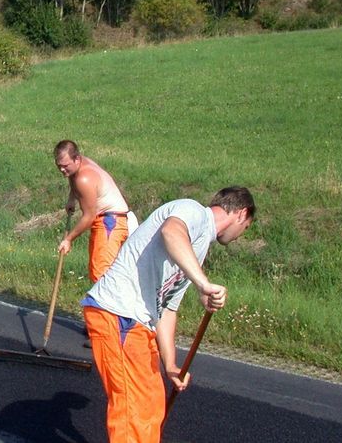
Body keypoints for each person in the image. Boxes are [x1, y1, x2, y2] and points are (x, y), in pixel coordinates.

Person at [81, 186, 256, 443]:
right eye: (247, 227)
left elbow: (167, 308)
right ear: (242, 213)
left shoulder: (196, 249)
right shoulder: (193, 211)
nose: (242, 235)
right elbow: (171, 232)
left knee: (151, 403)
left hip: (138, 323)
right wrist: (203, 284)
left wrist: (171, 364)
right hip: (118, 313)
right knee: (134, 409)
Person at [54, 140, 136, 284]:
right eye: (59, 166)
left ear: (76, 158)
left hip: (111, 222)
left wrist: (68, 239)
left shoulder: (85, 178)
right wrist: (72, 198)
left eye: (65, 166)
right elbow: (72, 176)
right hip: (113, 219)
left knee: (102, 275)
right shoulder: (80, 165)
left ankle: (104, 306)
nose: (62, 170)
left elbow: (89, 217)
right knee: (97, 270)